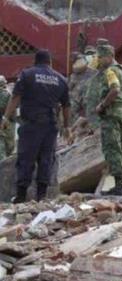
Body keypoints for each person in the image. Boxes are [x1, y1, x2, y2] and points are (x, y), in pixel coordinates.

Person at [1, 49, 70, 203]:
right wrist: (67, 127)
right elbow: (66, 105)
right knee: (46, 159)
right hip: (51, 126)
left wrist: (5, 117)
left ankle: (20, 196)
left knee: (26, 158)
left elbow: (16, 97)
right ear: (50, 63)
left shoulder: (27, 74)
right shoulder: (61, 79)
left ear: (35, 61)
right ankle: (41, 196)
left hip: (31, 124)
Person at [94, 45, 122, 196]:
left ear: (109, 56)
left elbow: (115, 89)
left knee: (112, 149)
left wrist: (102, 105)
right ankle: (121, 184)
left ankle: (119, 186)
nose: (99, 61)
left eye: (101, 57)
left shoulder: (111, 71)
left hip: (112, 115)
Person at [0, 76, 15, 161]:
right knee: (9, 146)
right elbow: (12, 111)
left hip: (5, 121)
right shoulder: (7, 94)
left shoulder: (7, 93)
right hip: (7, 123)